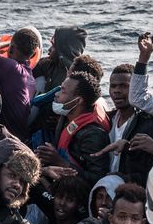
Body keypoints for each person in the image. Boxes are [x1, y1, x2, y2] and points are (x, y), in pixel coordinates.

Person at [34, 55, 111, 186]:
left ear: (78, 101)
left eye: (63, 91)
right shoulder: (66, 117)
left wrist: (59, 161)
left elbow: (97, 179)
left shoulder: (93, 135)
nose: (57, 94)